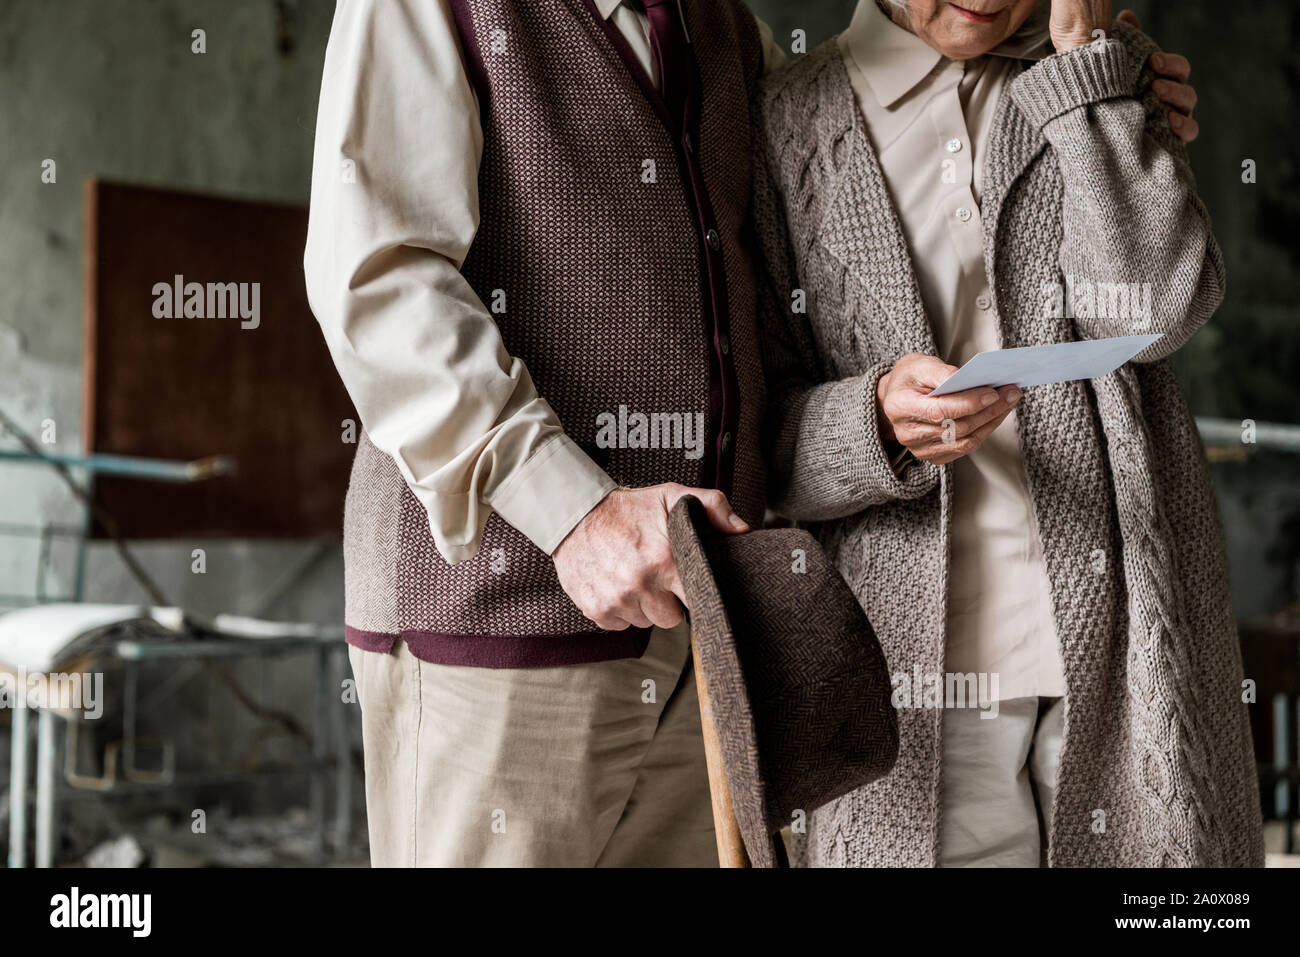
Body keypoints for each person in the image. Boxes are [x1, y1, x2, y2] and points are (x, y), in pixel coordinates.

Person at [304, 0, 1207, 868]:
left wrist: (1103, 92)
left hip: (712, 629)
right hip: (500, 615)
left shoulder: (726, 31)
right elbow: (380, 284)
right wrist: (573, 513)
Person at [752, 0, 1261, 867]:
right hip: (908, 674)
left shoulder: (1094, 72)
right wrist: (872, 422)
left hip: (1129, 638)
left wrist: (1086, 72)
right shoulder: (783, 120)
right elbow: (761, 435)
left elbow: (1159, 307)